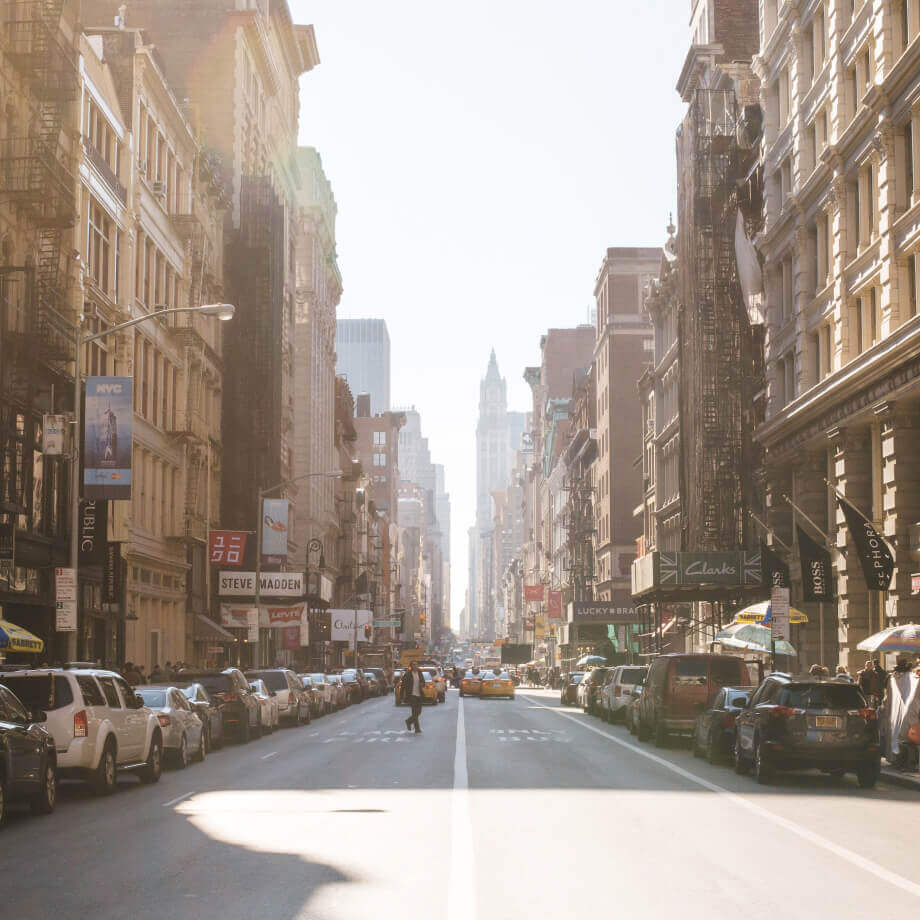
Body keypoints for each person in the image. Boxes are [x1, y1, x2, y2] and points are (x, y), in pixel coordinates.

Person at [400, 661, 425, 734]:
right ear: (411, 666)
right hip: (411, 695)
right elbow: (403, 685)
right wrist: (401, 696)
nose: (415, 666)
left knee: (419, 712)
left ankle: (408, 721)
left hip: (419, 695)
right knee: (414, 712)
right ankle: (417, 729)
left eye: (416, 664)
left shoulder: (420, 673)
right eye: (414, 665)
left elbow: (423, 681)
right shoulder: (408, 674)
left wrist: (422, 684)